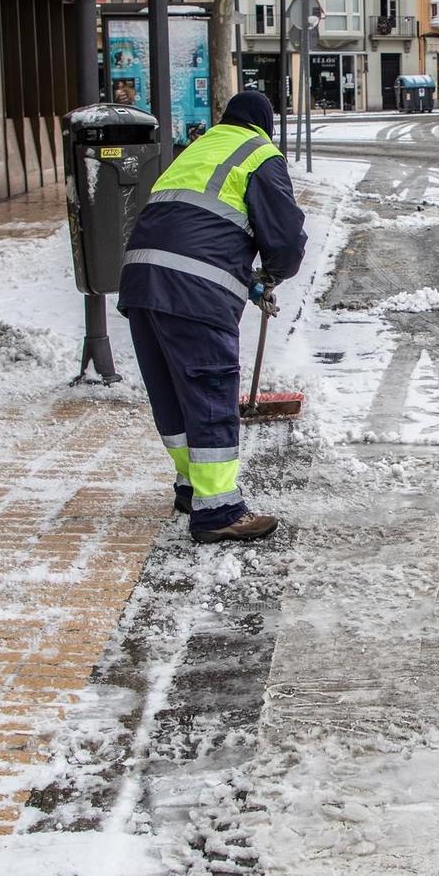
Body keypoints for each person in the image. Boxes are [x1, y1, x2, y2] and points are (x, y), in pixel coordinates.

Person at [118, 90, 306, 543]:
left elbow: (200, 228)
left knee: (173, 393)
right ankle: (219, 509)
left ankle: (191, 489)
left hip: (142, 280)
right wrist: (275, 271)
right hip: (191, 292)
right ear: (265, 125)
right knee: (209, 390)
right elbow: (282, 236)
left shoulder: (199, 148)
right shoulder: (259, 152)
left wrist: (249, 282)